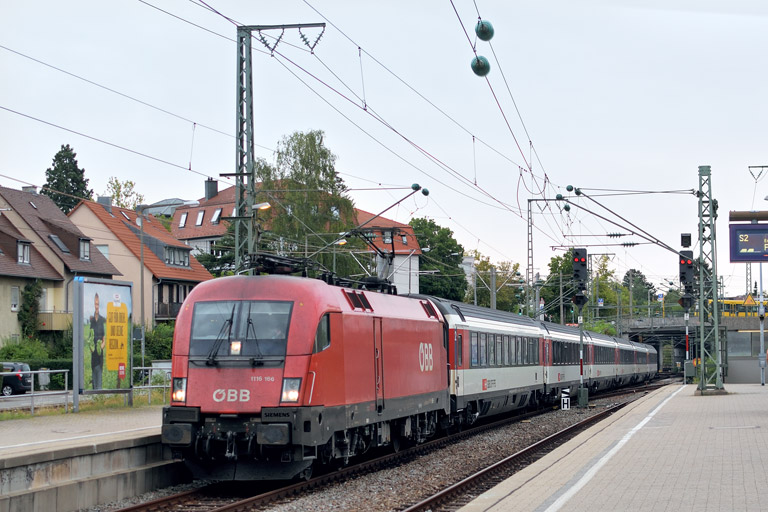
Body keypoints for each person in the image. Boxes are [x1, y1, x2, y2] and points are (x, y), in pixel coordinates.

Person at [90, 293, 106, 389]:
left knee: (99, 370)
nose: (96, 306)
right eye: (95, 304)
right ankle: (94, 389)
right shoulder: (92, 320)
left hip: (100, 353)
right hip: (93, 353)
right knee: (93, 370)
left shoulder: (101, 320)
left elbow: (104, 337)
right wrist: (91, 347)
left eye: (98, 304)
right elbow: (90, 337)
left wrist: (102, 345)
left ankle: (98, 390)